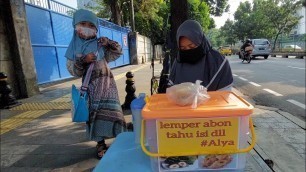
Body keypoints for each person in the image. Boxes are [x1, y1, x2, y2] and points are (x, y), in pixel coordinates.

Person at [65, 9, 126, 159]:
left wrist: (108, 42)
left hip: (108, 87)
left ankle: (121, 140)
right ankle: (101, 144)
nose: (87, 28)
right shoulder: (74, 48)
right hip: (91, 89)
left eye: (91, 25)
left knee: (115, 113)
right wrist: (83, 60)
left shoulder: (100, 44)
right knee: (96, 117)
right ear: (75, 25)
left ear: (96, 28)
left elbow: (118, 52)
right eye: (83, 24)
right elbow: (74, 71)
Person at [168, 20, 233, 91]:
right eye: (183, 48)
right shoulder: (179, 61)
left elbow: (225, 95)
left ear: (201, 42)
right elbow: (171, 90)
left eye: (192, 47)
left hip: (214, 101)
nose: (188, 51)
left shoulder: (219, 62)